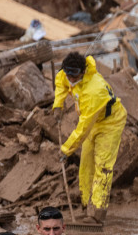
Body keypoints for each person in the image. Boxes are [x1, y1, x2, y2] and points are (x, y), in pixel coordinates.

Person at [52, 52, 127, 224]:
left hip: (110, 123)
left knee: (103, 166)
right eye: (68, 75)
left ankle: (97, 214)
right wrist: (58, 104)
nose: (70, 79)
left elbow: (83, 127)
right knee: (86, 165)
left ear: (83, 72)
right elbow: (60, 82)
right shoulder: (67, 74)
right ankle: (87, 207)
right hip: (92, 120)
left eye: (74, 76)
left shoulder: (95, 90)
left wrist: (66, 149)